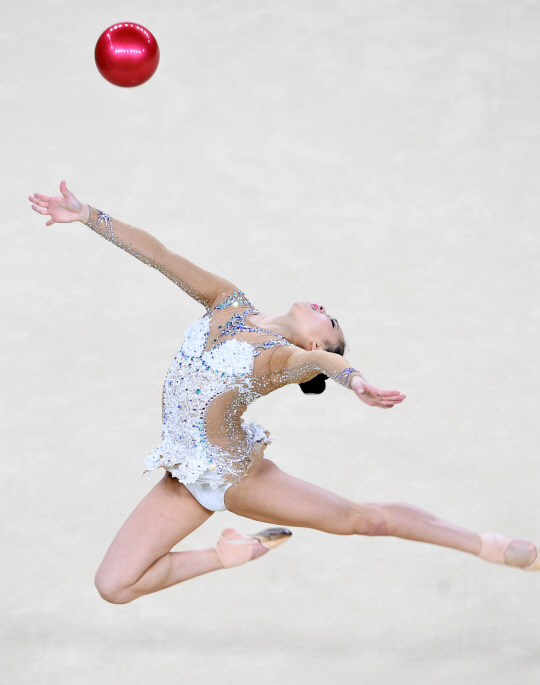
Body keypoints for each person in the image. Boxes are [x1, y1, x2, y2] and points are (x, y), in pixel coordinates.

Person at [28, 182, 539, 604]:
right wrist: (88, 215)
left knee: (362, 520)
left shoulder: (280, 359)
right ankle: (231, 553)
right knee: (114, 586)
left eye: (330, 322)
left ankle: (489, 546)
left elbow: (317, 363)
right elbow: (160, 256)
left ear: (316, 338)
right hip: (183, 479)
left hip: (236, 479)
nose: (324, 308)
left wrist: (354, 378)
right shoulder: (227, 302)